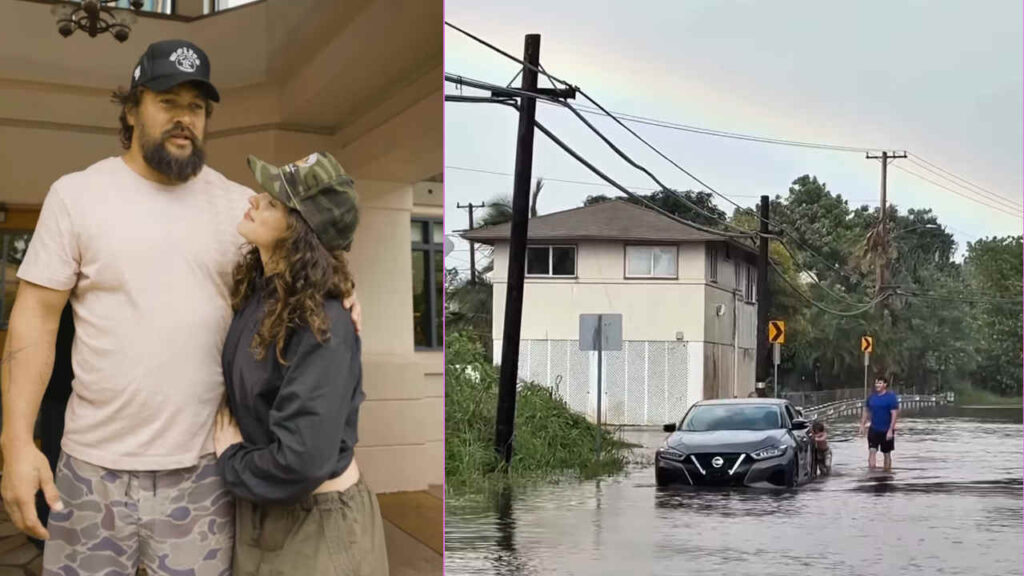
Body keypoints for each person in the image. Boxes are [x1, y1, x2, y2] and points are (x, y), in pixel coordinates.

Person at [0, 39, 361, 575]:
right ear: (131, 108)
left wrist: (348, 299)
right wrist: (15, 445)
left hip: (204, 471)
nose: (184, 118)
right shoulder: (76, 196)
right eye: (168, 100)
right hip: (90, 467)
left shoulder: (238, 208)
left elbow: (308, 275)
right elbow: (35, 320)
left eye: (196, 106)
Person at [213, 152, 388, 575]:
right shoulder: (265, 295)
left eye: (273, 202)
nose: (255, 200)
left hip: (318, 526)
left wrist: (231, 458)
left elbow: (302, 459)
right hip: (269, 514)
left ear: (300, 232)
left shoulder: (323, 321)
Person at [858, 376, 900, 471]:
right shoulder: (871, 397)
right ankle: (872, 473)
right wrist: (862, 425)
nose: (877, 385)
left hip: (886, 429)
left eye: (880, 383)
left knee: (886, 453)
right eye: (876, 383)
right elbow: (866, 411)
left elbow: (894, 414)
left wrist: (890, 430)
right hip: (874, 429)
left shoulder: (891, 398)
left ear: (885, 385)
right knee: (872, 451)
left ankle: (887, 473)